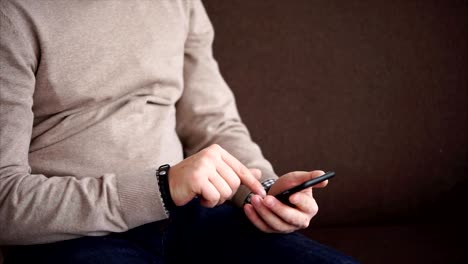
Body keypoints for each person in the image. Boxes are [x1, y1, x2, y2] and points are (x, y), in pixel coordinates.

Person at [0, 1, 359, 263]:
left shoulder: (180, 3)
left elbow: (213, 124)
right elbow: (4, 200)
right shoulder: (12, 16)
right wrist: (161, 187)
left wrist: (262, 191)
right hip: (69, 235)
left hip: (193, 217)